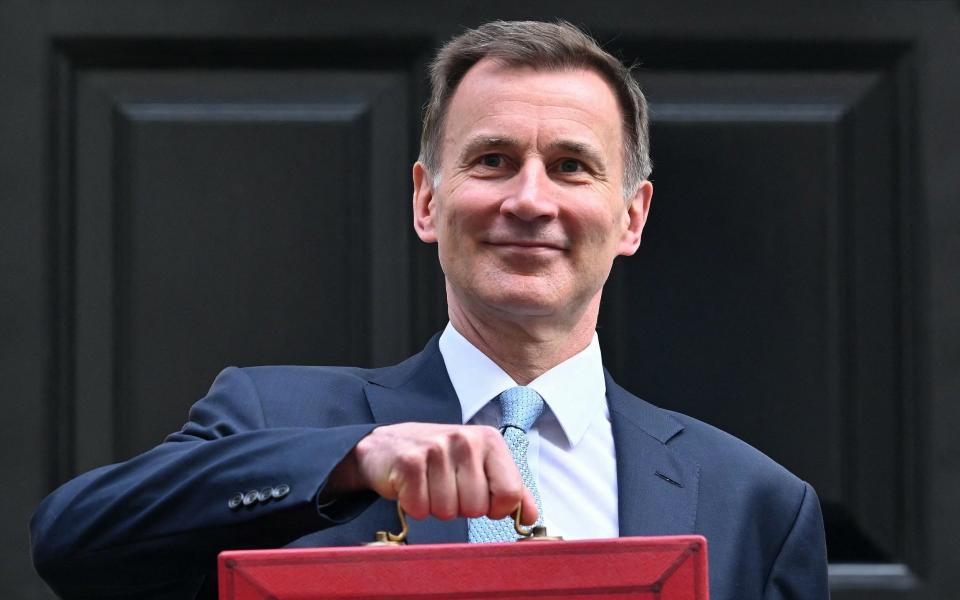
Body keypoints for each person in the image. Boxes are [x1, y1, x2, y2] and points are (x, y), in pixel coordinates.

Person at [31, 20, 829, 600]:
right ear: (426, 200)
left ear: (631, 217)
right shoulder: (275, 416)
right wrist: (353, 461)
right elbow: (72, 543)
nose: (528, 199)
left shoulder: (754, 502)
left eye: (571, 167)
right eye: (492, 160)